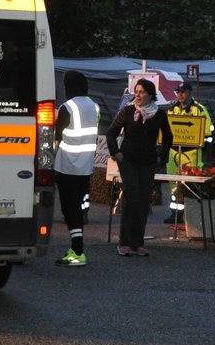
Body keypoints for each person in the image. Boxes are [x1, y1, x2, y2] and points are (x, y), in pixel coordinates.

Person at [105, 78, 169, 257]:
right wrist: (116, 153)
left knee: (142, 201)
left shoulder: (159, 114)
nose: (137, 95)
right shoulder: (127, 111)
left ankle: (138, 243)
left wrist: (160, 156)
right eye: (136, 91)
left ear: (150, 94)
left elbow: (168, 138)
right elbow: (111, 133)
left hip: (148, 162)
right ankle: (124, 242)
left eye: (141, 92)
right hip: (128, 161)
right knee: (131, 198)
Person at [52, 70, 101, 266]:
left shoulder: (67, 107)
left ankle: (77, 251)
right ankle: (76, 248)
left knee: (69, 208)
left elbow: (56, 136)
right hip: (86, 166)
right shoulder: (94, 106)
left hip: (67, 166)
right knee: (77, 208)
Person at [164, 82, 213, 175]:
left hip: (191, 152)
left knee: (191, 183)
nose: (180, 94)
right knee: (172, 181)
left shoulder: (199, 110)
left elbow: (207, 131)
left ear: (190, 93)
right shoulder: (171, 110)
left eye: (183, 92)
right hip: (173, 152)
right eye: (178, 92)